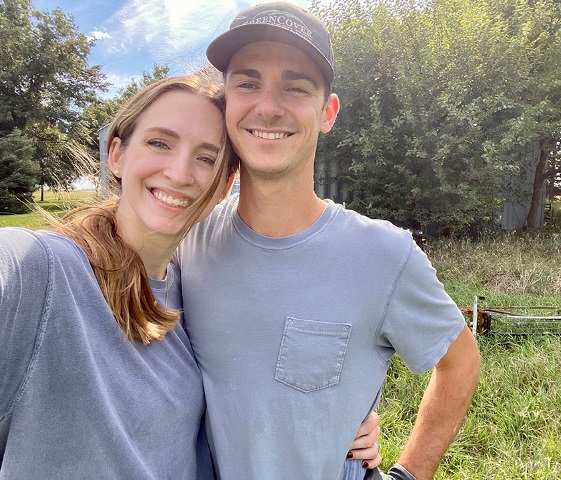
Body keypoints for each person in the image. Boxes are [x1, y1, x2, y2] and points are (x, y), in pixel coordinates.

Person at [0, 73, 380, 478]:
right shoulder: (39, 271)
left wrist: (335, 418)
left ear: (223, 185)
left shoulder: (196, 287)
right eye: (159, 143)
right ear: (116, 154)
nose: (180, 174)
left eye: (205, 158)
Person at [176, 2, 481, 480]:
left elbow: (459, 362)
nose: (268, 106)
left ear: (328, 112)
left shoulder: (384, 255)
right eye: (247, 83)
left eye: (296, 87)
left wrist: (409, 473)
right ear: (227, 101)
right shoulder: (186, 244)